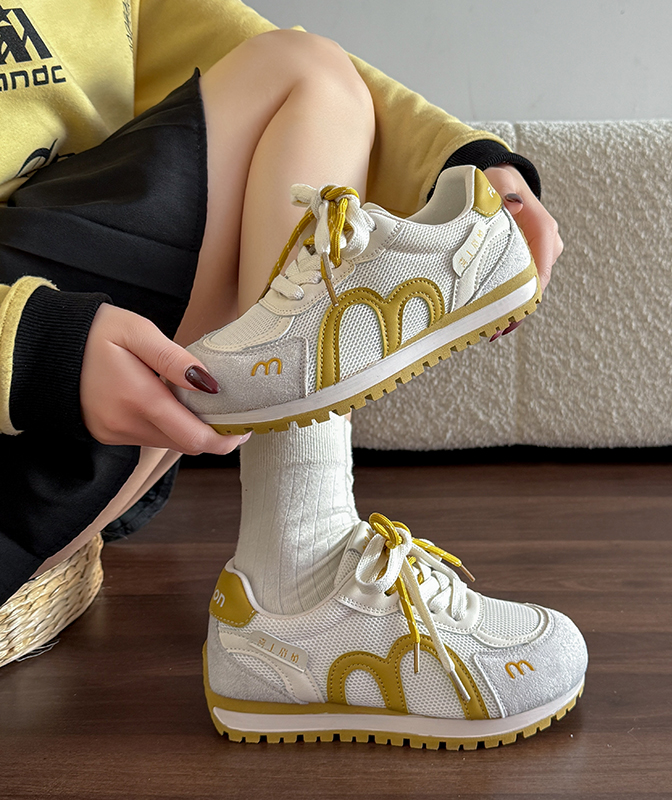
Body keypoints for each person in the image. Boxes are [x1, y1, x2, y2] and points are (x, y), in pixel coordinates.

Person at [0, 0, 586, 748]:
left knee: (307, 75)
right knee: (300, 75)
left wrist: (463, 164)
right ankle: (297, 584)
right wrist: (29, 348)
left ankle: (297, 573)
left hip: (88, 397)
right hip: (30, 392)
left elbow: (254, 48)